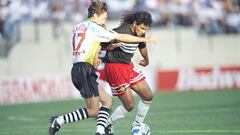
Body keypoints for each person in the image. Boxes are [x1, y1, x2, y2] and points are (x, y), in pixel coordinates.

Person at [48, 1, 155, 135]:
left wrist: (98, 52)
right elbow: (118, 36)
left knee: (108, 101)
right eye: (103, 18)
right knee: (94, 110)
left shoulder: (78, 26)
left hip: (81, 67)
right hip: (86, 69)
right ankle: (59, 120)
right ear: (94, 15)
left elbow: (91, 42)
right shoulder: (95, 27)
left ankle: (101, 130)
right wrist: (144, 40)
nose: (104, 21)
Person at [102, 11, 154, 134]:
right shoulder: (120, 31)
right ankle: (107, 125)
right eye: (141, 28)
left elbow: (142, 47)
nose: (142, 32)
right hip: (115, 69)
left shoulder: (140, 34)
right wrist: (108, 47)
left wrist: (146, 60)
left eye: (145, 29)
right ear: (134, 24)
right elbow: (101, 45)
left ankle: (137, 125)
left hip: (128, 67)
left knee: (148, 95)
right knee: (129, 105)